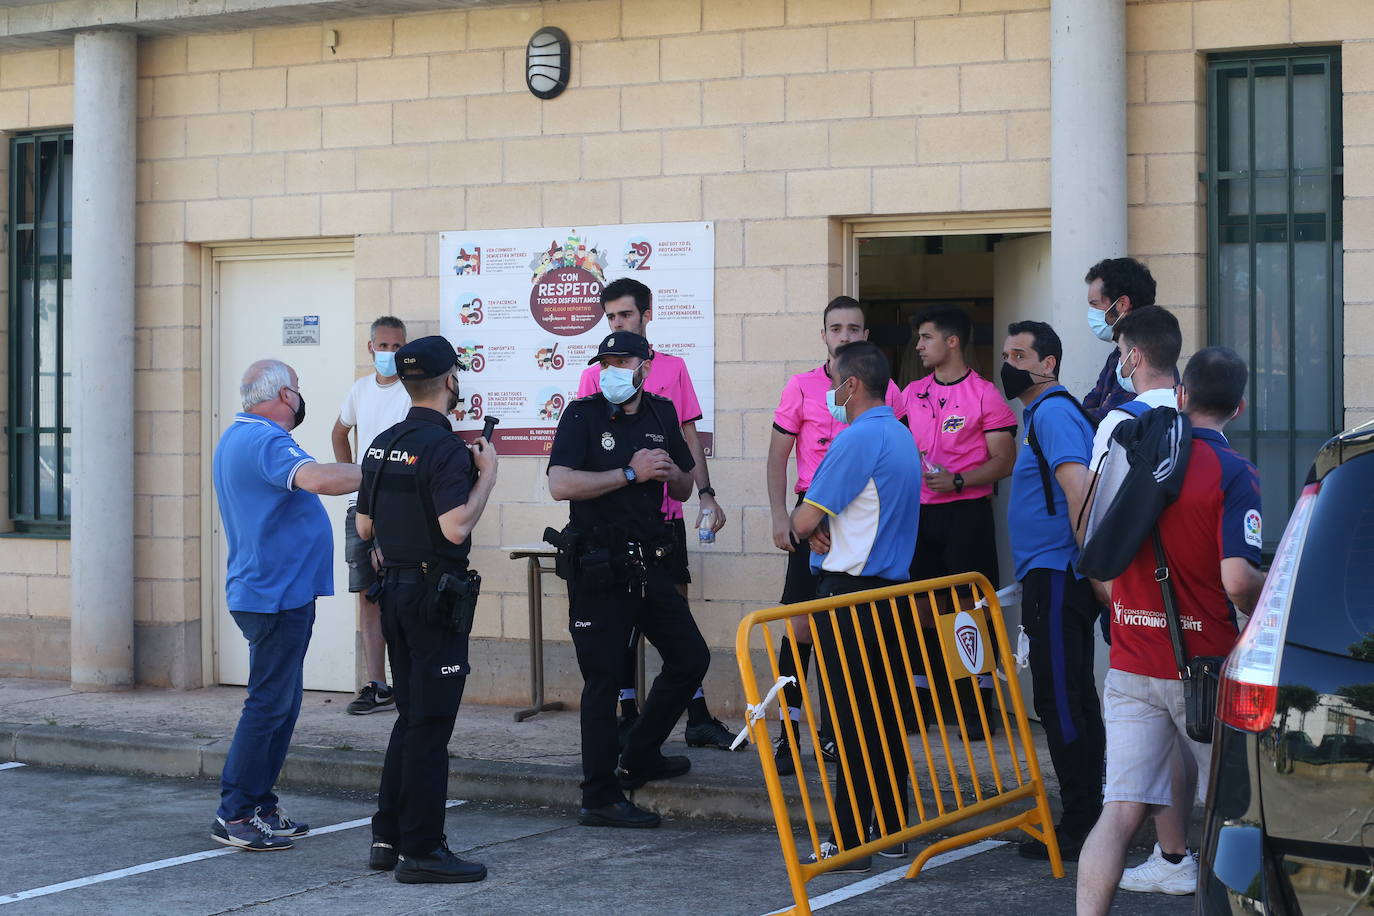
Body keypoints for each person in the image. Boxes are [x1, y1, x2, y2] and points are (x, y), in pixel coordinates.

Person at [1076, 347, 1266, 913]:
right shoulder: (1235, 473)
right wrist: (1270, 606)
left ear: (1181, 396)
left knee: (1121, 810)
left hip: (1131, 660)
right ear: (1241, 406)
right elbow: (1236, 580)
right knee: (1233, 811)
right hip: (1204, 669)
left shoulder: (1141, 456)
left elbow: (1101, 553)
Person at [548, 331, 711, 829]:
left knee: (690, 658)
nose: (614, 368)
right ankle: (598, 795)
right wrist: (630, 473)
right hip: (599, 566)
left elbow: (682, 486)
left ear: (645, 365)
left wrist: (670, 475)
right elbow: (560, 484)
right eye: (607, 361)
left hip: (650, 560)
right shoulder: (582, 414)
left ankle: (640, 752)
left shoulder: (662, 412)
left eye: (623, 360)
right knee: (604, 679)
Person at [355, 336, 498, 884]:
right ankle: (422, 850)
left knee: (410, 718)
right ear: (451, 382)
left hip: (391, 593)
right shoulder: (446, 449)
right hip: (432, 600)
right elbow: (454, 526)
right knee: (432, 725)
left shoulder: (382, 442)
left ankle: (387, 835)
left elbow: (365, 526)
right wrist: (486, 477)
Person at [574, 278, 735, 751]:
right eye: (611, 317)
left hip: (665, 518)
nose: (618, 323)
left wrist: (704, 493)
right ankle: (628, 715)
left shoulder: (673, 369)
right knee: (621, 619)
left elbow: (688, 436)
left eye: (625, 315)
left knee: (674, 614)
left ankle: (697, 716)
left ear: (646, 314)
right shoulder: (596, 375)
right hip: (615, 525)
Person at [211, 359, 362, 851]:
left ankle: (259, 804)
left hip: (279, 591)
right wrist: (385, 467)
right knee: (268, 705)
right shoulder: (263, 439)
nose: (301, 396)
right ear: (281, 396)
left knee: (282, 703)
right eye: (297, 388)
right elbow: (319, 479)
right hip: (272, 595)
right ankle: (235, 812)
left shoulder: (246, 436)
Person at [790, 341, 921, 873]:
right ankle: (890, 829)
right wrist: (822, 524)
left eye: (835, 383)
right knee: (883, 718)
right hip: (888, 595)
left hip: (850, 595)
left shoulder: (859, 437)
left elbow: (801, 521)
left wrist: (812, 522)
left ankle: (847, 838)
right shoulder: (900, 434)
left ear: (851, 385)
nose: (830, 393)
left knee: (849, 722)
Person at [766, 296, 906, 774]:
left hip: (854, 524)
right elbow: (777, 457)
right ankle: (787, 732)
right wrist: (782, 517)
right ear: (823, 335)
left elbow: (890, 462)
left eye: (854, 328)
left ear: (865, 337)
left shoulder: (886, 396)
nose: (845, 335)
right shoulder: (801, 387)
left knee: (837, 638)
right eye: (836, 328)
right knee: (800, 629)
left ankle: (833, 735)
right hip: (812, 514)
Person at [999, 320, 1104, 861]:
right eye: (1007, 355)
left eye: (1020, 355)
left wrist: (1094, 573)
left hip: (1060, 575)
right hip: (1054, 575)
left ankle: (1082, 823)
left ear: (1049, 364)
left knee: (1061, 700)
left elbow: (1078, 491)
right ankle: (1090, 815)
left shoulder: (1055, 413)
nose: (1010, 364)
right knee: (1072, 696)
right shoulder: (1042, 414)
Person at [901, 305, 1016, 738]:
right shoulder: (911, 392)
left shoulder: (984, 393)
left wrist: (961, 479)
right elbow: (875, 428)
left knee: (969, 611)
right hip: (919, 515)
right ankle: (923, 702)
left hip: (965, 513)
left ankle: (975, 706)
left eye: (926, 337)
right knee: (923, 611)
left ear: (952, 342)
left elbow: (1005, 460)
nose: (918, 346)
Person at [332, 316, 411, 716]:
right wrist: (352, 478)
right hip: (361, 508)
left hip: (399, 510)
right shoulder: (360, 390)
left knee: (401, 588)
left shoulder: (412, 392)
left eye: (397, 347)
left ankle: (407, 680)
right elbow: (339, 431)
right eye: (384, 347)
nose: (390, 355)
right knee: (367, 593)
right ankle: (376, 683)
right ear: (371, 348)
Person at [1082, 257, 1159, 423]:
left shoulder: (1146, 359)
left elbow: (1106, 420)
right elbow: (1090, 404)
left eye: (1095, 305)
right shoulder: (1117, 355)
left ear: (1122, 304)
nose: (1091, 313)